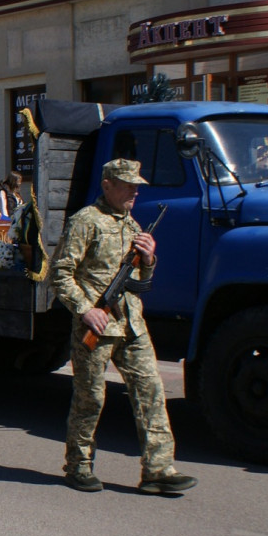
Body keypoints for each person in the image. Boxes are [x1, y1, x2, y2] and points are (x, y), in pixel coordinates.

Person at [49, 158, 198, 496]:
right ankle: (79, 465)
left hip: (132, 324)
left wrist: (148, 260)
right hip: (97, 326)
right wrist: (86, 310)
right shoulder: (86, 221)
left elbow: (138, 281)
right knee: (91, 398)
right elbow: (59, 272)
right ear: (107, 185)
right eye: (128, 184)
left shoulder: (131, 225)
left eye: (137, 185)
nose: (135, 191)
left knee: (151, 393)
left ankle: (158, 470)